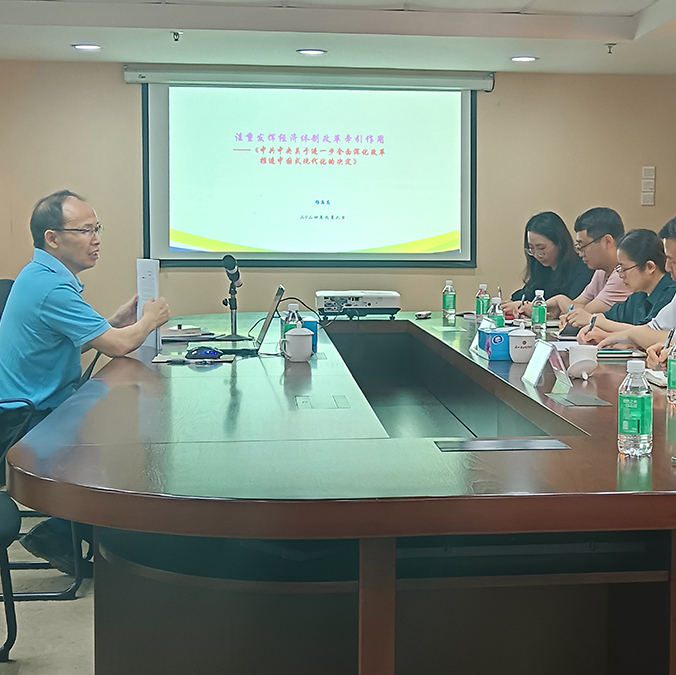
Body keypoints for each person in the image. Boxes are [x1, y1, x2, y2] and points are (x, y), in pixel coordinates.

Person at [0, 190, 170, 575]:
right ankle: (60, 533)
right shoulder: (52, 288)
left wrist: (115, 321)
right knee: (112, 451)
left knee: (109, 430)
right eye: (85, 230)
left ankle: (64, 532)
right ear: (52, 238)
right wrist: (150, 319)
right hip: (22, 420)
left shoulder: (42, 276)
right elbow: (118, 346)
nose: (96, 239)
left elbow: (73, 340)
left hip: (37, 404)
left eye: (97, 229)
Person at [593, 216, 676, 365]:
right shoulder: (639, 295)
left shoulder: (669, 289)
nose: (668, 267)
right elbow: (651, 330)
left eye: (674, 261)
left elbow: (655, 335)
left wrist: (631, 336)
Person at [576, 229, 676, 344]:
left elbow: (650, 332)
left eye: (624, 268)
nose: (621, 275)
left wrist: (597, 323)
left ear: (649, 267)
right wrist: (594, 327)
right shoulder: (639, 295)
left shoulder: (670, 292)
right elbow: (611, 317)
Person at [501, 211, 592, 318]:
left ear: (560, 243)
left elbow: (571, 309)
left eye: (541, 248)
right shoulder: (542, 268)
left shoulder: (583, 268)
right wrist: (514, 305)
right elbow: (525, 294)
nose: (537, 255)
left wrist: (534, 309)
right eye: (531, 248)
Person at [547, 207, 630, 326]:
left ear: (607, 241)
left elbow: (584, 313)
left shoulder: (622, 274)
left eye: (583, 246)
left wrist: (560, 299)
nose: (581, 254)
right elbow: (577, 305)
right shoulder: (601, 271)